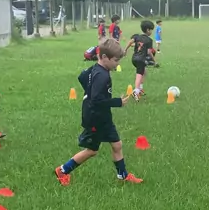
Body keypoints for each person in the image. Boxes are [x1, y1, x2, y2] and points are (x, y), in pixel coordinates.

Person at [54, 39, 142, 186]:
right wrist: (117, 102)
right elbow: (96, 100)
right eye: (115, 60)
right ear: (104, 57)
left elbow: (82, 76)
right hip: (95, 117)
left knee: (117, 144)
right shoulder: (102, 76)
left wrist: (88, 91)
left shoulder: (95, 69)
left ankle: (123, 176)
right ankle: (63, 170)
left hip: (103, 116)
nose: (117, 64)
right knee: (92, 150)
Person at [123, 20, 156, 101]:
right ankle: (136, 91)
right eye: (151, 30)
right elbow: (149, 52)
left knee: (144, 72)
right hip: (141, 60)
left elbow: (130, 42)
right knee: (139, 74)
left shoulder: (137, 36)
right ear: (148, 30)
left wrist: (125, 50)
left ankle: (140, 89)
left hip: (134, 58)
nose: (151, 32)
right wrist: (154, 60)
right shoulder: (149, 40)